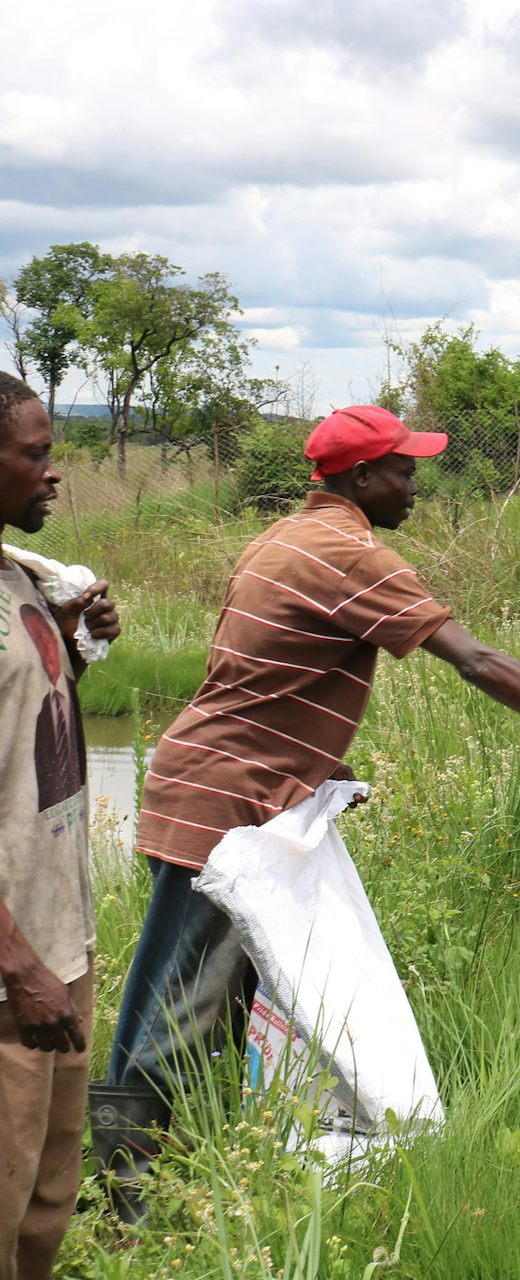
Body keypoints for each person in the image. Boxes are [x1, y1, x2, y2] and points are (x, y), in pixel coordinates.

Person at [98, 405, 520, 1219]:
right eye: (404, 469)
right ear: (361, 477)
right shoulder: (350, 553)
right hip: (226, 803)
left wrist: (318, 762)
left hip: (214, 785)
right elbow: (478, 660)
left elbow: (260, 676)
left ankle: (167, 1173)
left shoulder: (284, 536)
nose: (416, 485)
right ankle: (124, 1212)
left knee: (211, 995)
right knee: (182, 1004)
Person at [0, 371, 121, 1278]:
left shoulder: (20, 580)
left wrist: (74, 647)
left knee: (45, 1207)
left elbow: (31, 738)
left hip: (60, 948)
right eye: (36, 454)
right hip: (15, 975)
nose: (53, 473)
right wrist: (19, 969)